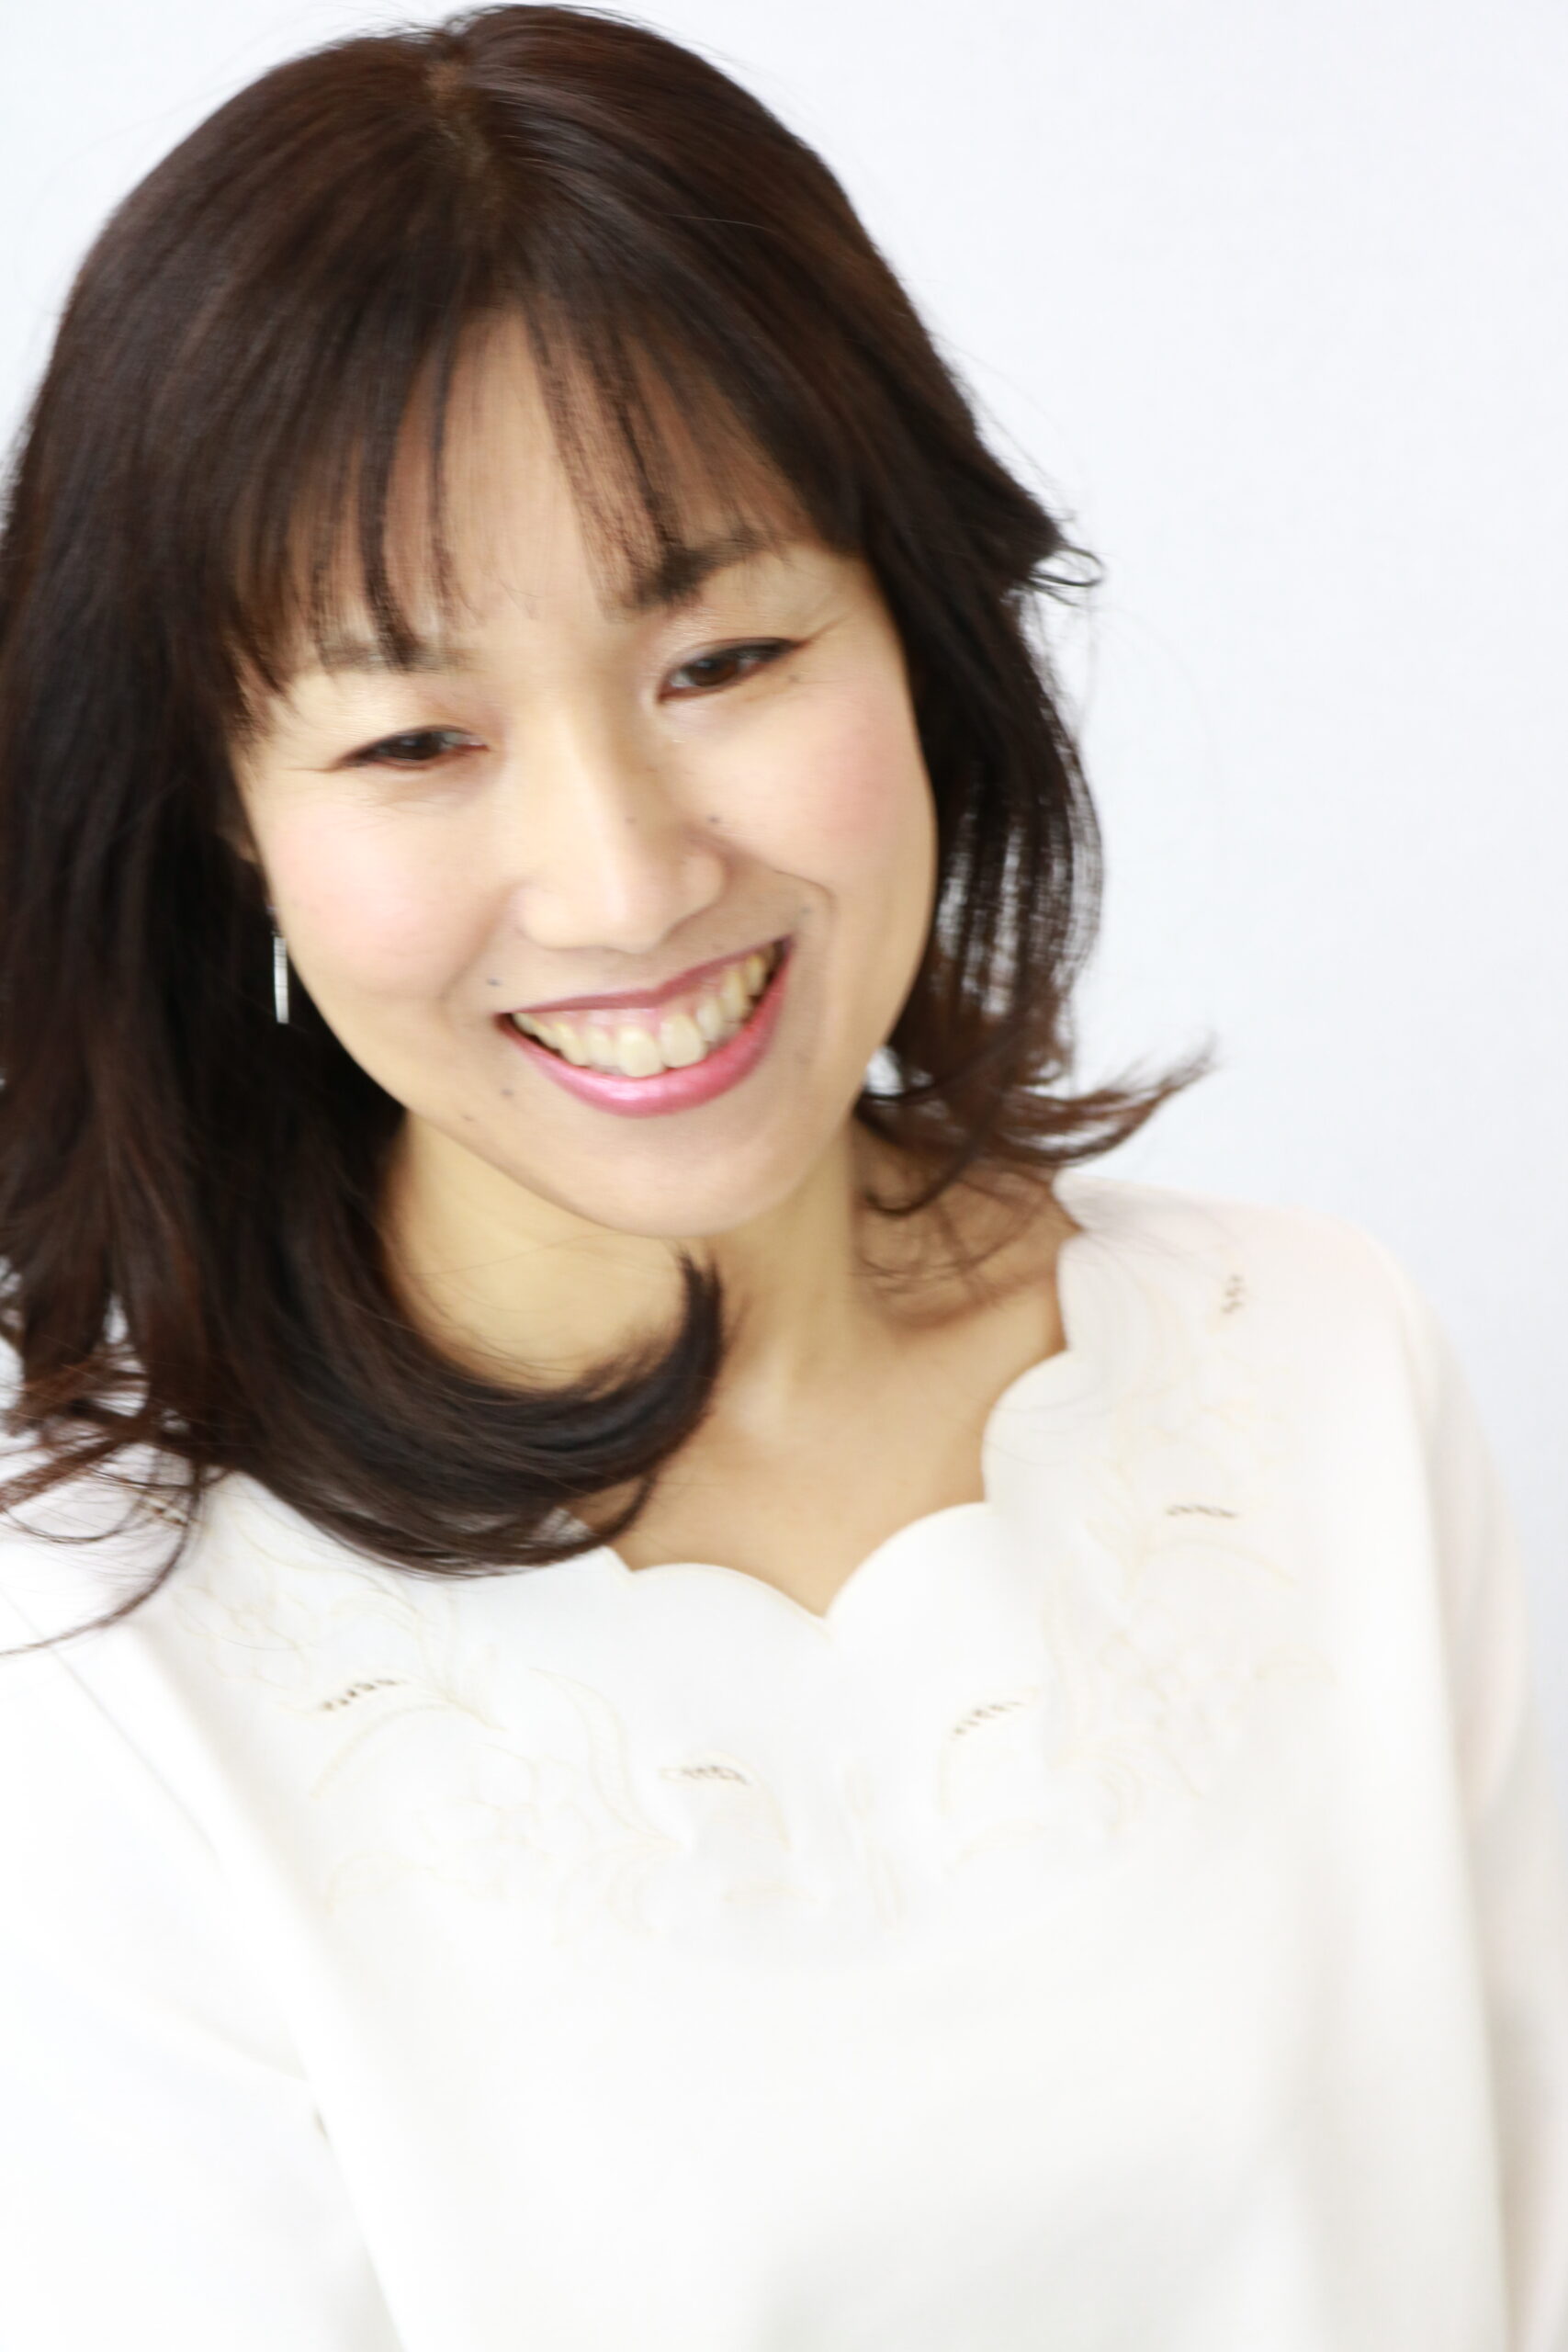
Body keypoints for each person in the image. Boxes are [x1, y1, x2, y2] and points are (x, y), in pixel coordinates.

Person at [0, 7, 1564, 2347]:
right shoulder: (101, 1673)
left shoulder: (1312, 1368)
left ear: (917, 633)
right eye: (416, 739)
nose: (624, 881)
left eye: (722, 657)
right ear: (225, 822)